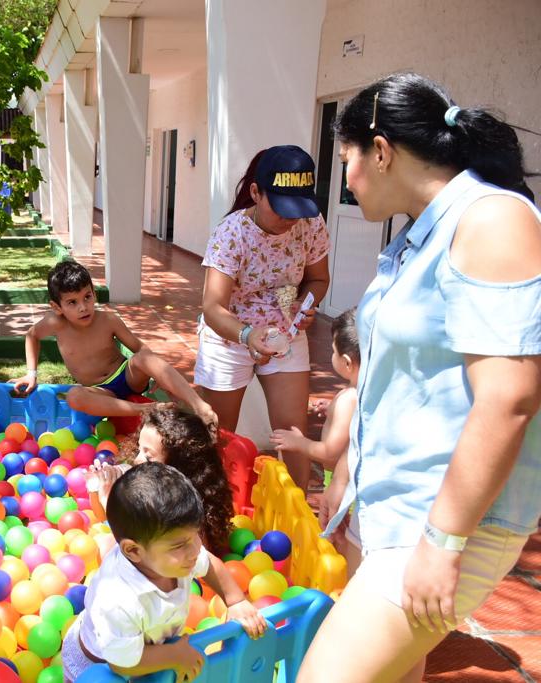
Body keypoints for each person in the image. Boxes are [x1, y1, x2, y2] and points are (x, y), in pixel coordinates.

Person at [297, 73, 541, 683]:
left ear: (380, 151)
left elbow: (509, 398)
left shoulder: (491, 221)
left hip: (446, 520)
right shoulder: (422, 233)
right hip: (400, 509)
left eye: (348, 159)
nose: (346, 181)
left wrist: (443, 541)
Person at [195, 145, 331, 491]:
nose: (291, 219)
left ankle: (298, 510)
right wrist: (247, 335)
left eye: (298, 209)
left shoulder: (311, 224)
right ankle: (213, 503)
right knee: (217, 433)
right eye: (282, 208)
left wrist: (306, 305)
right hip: (230, 335)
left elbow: (318, 278)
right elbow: (213, 308)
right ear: (256, 192)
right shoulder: (231, 234)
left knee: (293, 433)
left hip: (284, 334)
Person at [61, 462, 266, 681]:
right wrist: (173, 655)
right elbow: (121, 663)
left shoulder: (176, 558)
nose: (196, 549)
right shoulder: (119, 598)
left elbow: (210, 566)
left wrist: (235, 601)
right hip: (100, 663)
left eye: (195, 535)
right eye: (179, 544)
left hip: (143, 650)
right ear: (133, 551)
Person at [14, 260, 216, 423]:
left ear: (94, 292)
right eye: (72, 302)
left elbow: (140, 349)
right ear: (57, 307)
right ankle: (146, 409)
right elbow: (32, 336)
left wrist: (158, 375)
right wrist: (31, 374)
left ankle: (198, 405)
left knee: (144, 358)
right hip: (101, 391)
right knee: (75, 397)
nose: (83, 307)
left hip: (127, 377)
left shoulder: (108, 320)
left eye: (87, 297)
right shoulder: (55, 323)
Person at [270, 308, 361, 573]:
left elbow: (330, 453)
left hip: (343, 484)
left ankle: (339, 579)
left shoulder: (349, 400)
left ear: (345, 362)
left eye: (332, 351)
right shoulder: (355, 395)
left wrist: (299, 443)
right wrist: (330, 408)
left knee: (339, 536)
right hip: (348, 480)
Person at [88, 405, 235, 556]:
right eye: (139, 448)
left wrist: (108, 502)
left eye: (148, 456)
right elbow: (101, 517)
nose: (137, 460)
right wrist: (98, 488)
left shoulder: (187, 508)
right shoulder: (145, 486)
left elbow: (183, 557)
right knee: (103, 544)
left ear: (177, 467)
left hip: (167, 571)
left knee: (107, 547)